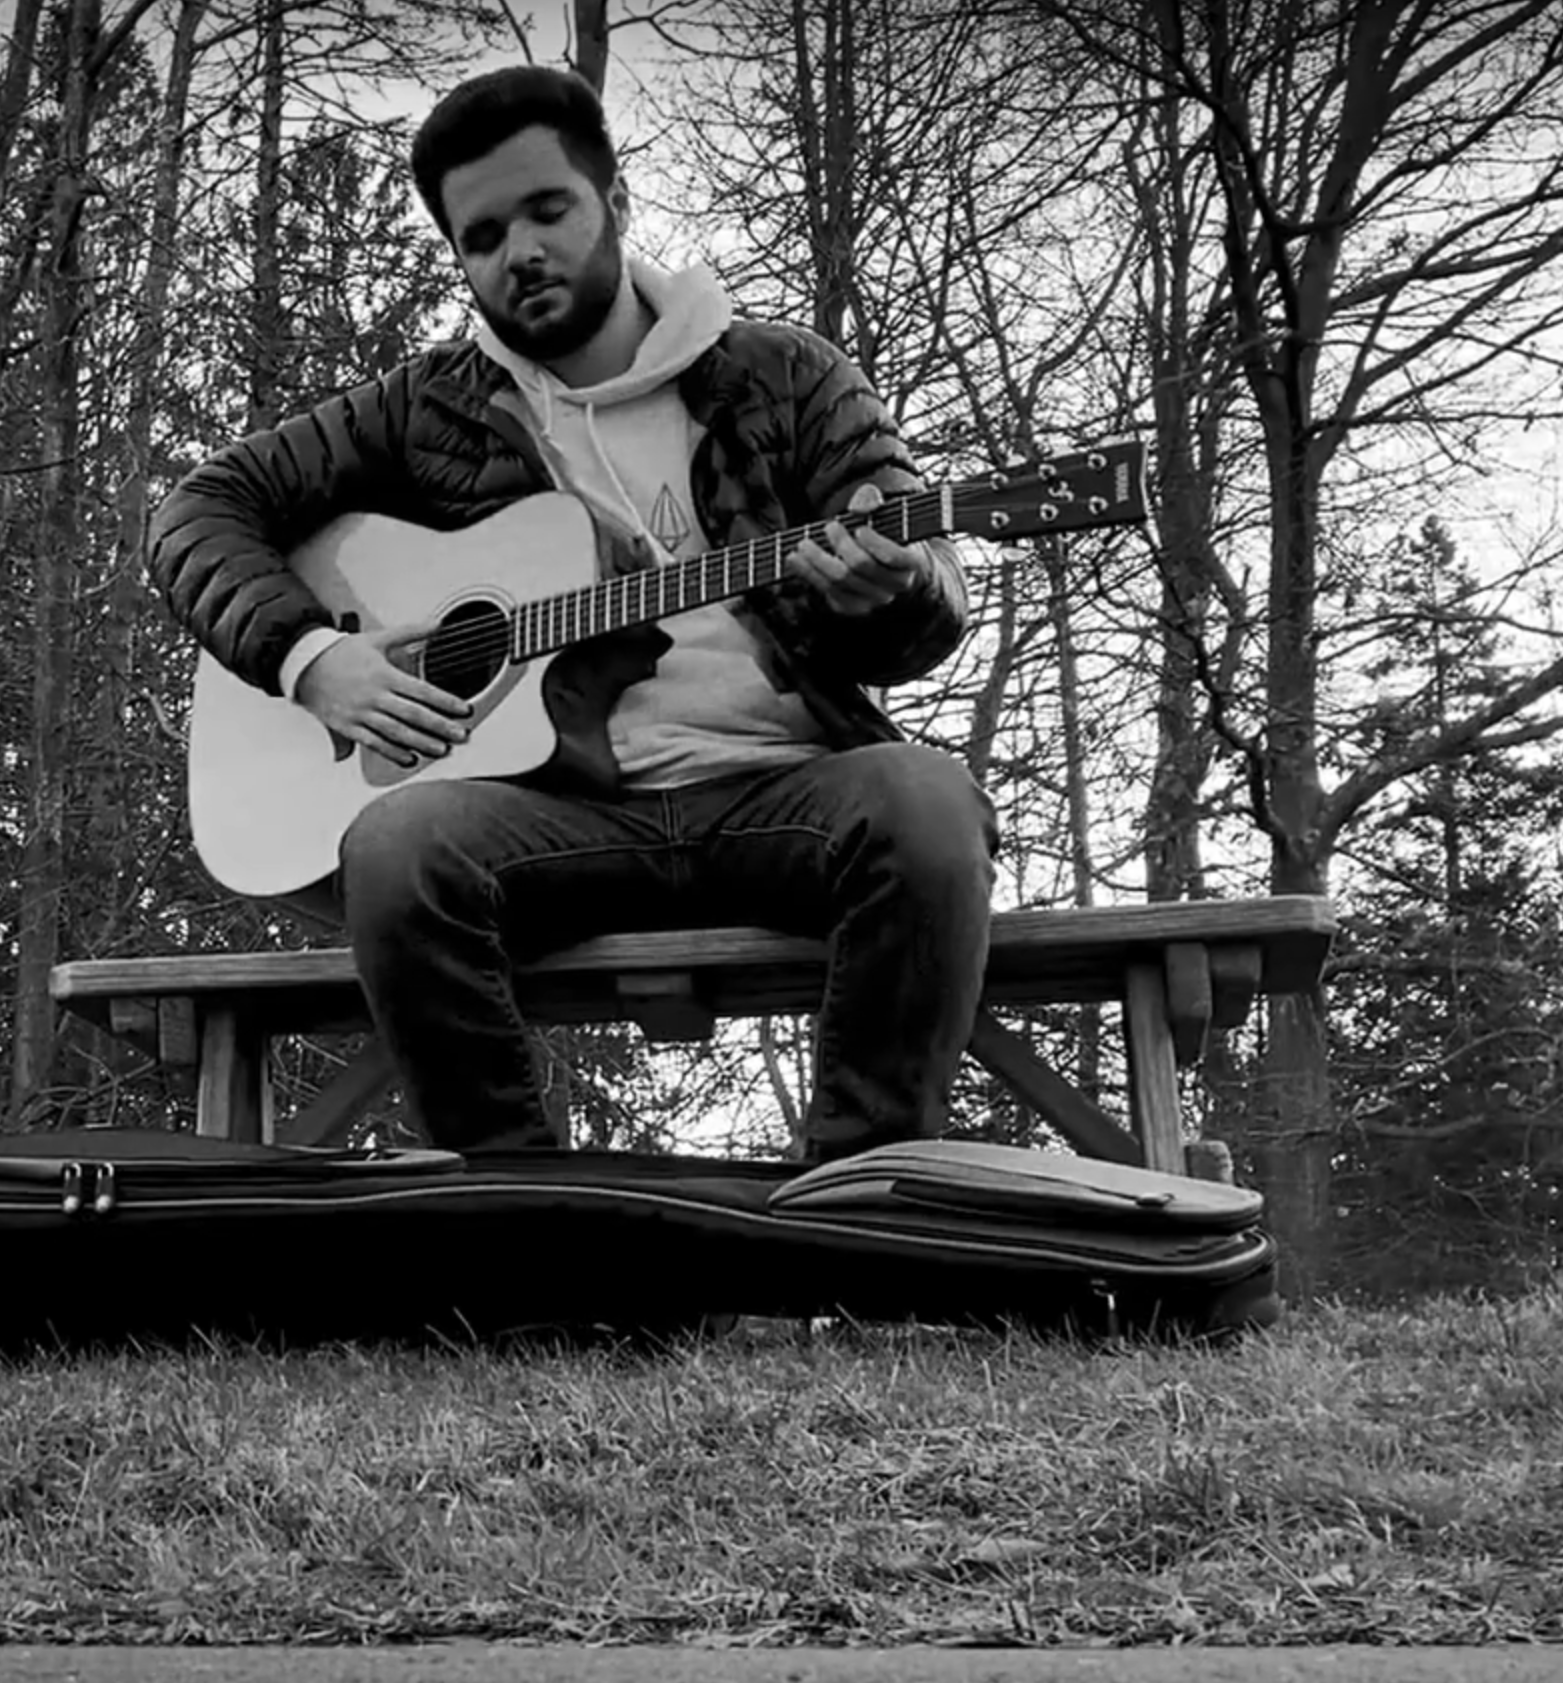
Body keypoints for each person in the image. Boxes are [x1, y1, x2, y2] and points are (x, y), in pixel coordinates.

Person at [145, 63, 996, 1163]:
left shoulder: (788, 375)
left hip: (783, 799)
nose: (521, 252)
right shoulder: (424, 410)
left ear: (616, 201)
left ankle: (857, 1195)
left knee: (926, 802)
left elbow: (928, 597)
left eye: (547, 210)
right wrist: (314, 660)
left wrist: (898, 591)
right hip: (554, 824)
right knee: (398, 845)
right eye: (483, 236)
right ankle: (518, 1214)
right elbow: (196, 513)